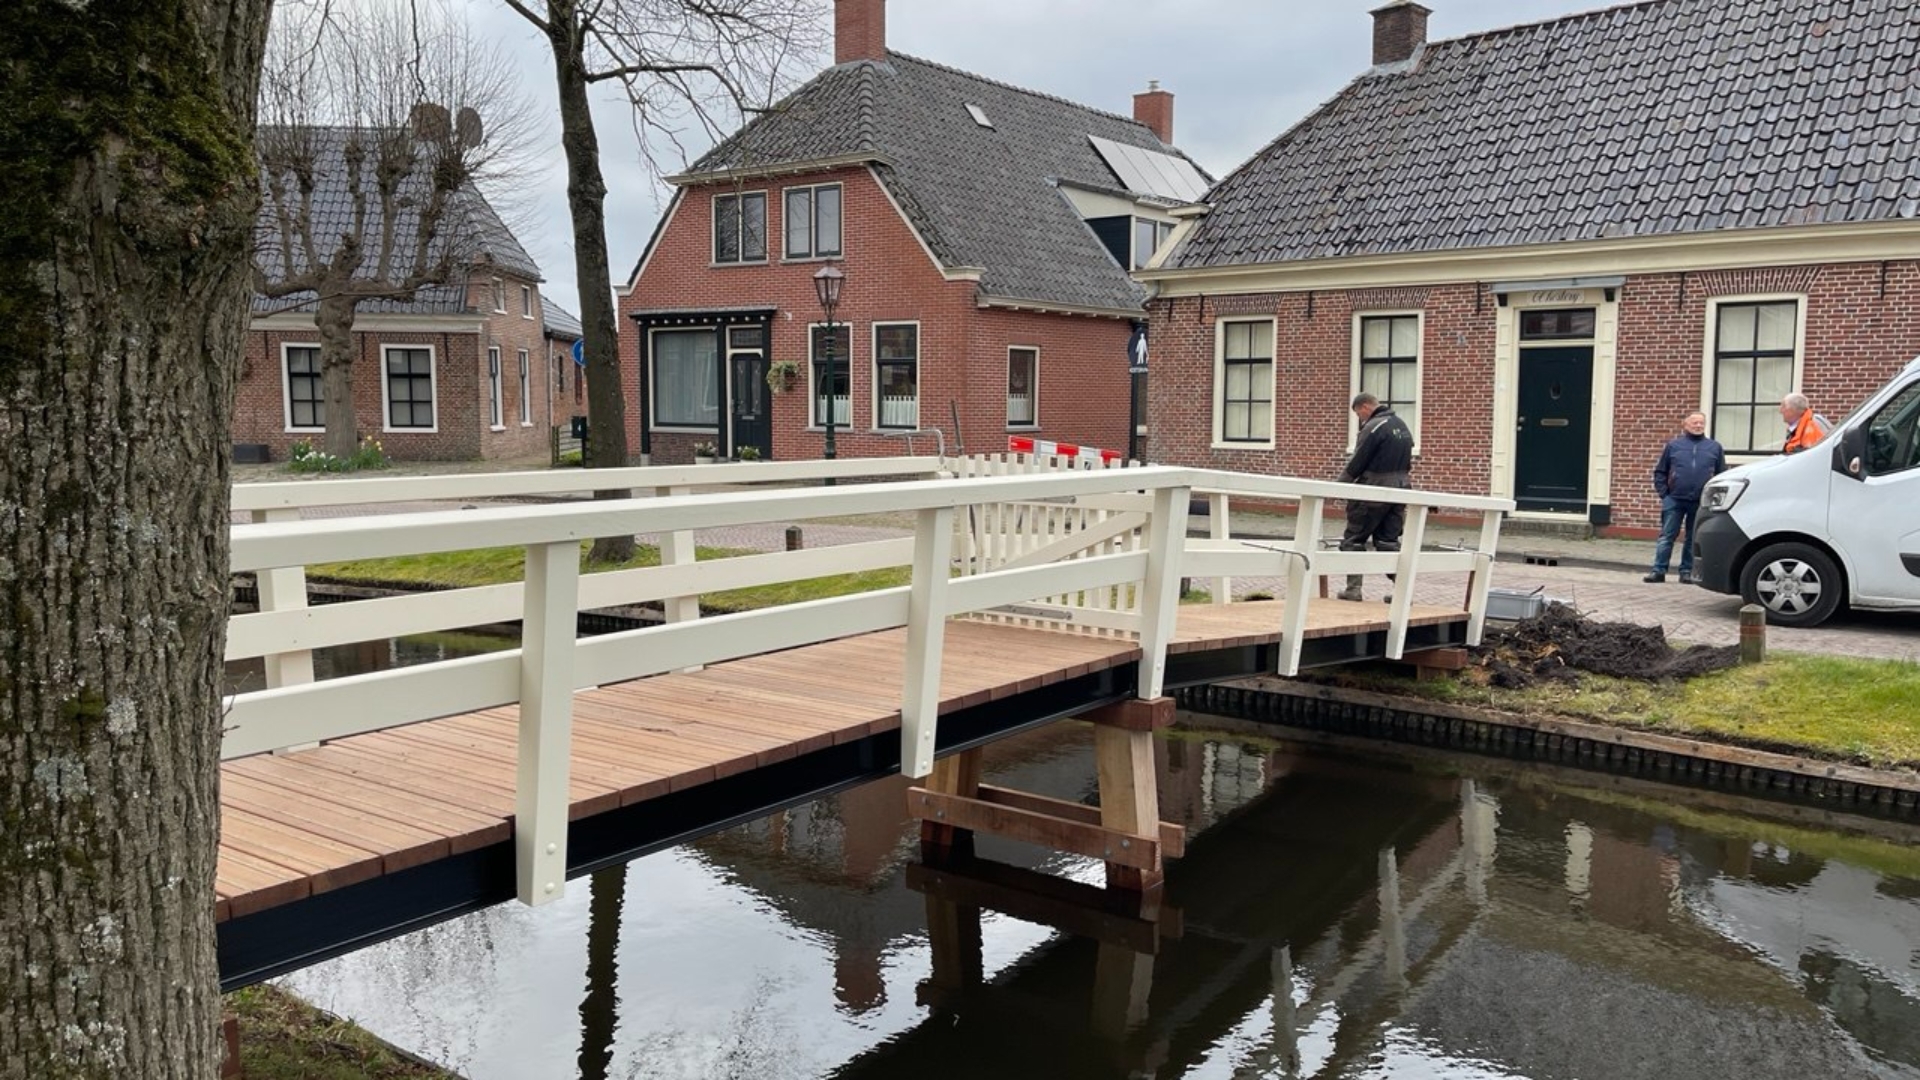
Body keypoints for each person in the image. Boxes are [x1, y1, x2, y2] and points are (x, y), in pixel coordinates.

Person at [1337, 393, 1414, 602]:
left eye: (1358, 414)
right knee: (1388, 541)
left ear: (1364, 407)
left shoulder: (1374, 427)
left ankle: (1353, 590)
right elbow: (1407, 461)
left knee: (1354, 539)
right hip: (1400, 490)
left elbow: (1358, 461)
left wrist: (1338, 487)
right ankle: (1403, 593)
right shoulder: (1401, 425)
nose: (1360, 419)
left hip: (1372, 491)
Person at [1644, 410, 1726, 583]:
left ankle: (1686, 572)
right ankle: (1658, 570)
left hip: (1700, 501)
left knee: (1692, 538)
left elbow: (1721, 475)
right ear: (1685, 425)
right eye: (1694, 422)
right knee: (1667, 536)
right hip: (1674, 499)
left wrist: (1712, 497)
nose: (1698, 425)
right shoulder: (1674, 446)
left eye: (1701, 423)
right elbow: (1660, 471)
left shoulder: (1714, 447)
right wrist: (1664, 494)